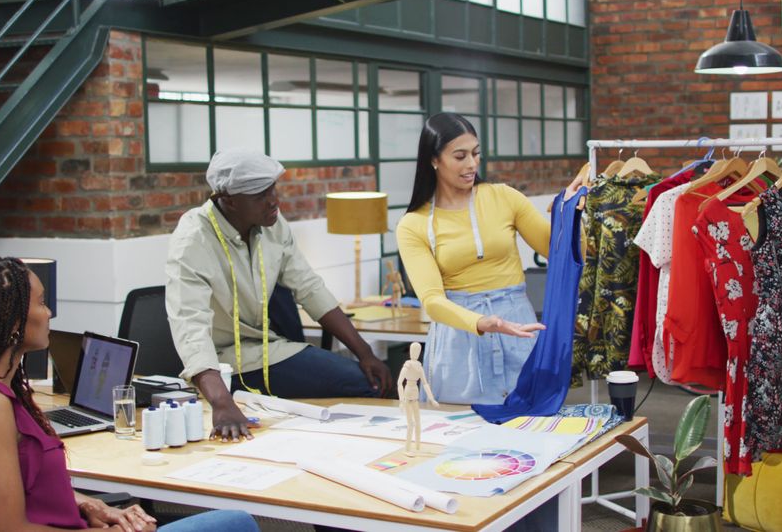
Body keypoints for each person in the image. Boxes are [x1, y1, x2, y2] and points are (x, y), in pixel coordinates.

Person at [0, 256, 258, 532]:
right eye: (41, 304)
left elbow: (29, 488)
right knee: (237, 523)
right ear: (13, 321)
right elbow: (9, 527)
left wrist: (89, 504)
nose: (50, 313)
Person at [166, 150, 394, 442]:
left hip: (270, 350)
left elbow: (309, 287)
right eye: (260, 194)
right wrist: (221, 403)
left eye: (273, 188)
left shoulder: (273, 223)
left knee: (375, 381)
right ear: (228, 200)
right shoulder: (192, 241)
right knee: (363, 387)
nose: (274, 200)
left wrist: (365, 353)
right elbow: (190, 327)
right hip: (223, 368)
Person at [397, 112, 551, 406]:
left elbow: (559, 251)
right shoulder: (413, 225)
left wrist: (571, 214)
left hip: (517, 326)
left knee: (532, 425)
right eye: (460, 156)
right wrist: (483, 322)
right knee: (461, 432)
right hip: (459, 340)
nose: (472, 164)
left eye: (476, 153)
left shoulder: (504, 197)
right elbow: (432, 301)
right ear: (434, 159)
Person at [398, 342, 438, 456]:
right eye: (413, 350)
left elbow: (425, 383)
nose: (415, 353)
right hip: (407, 395)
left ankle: (417, 446)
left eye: (417, 351)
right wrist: (401, 401)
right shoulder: (408, 365)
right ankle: (407, 448)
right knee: (411, 424)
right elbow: (399, 383)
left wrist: (431, 399)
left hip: (415, 395)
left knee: (418, 423)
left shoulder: (419, 367)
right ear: (410, 351)